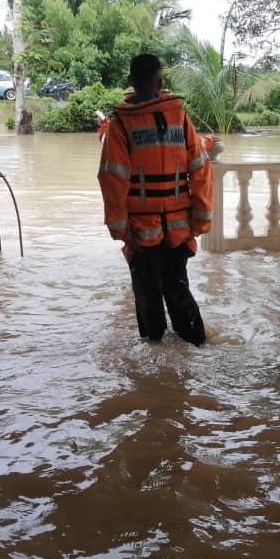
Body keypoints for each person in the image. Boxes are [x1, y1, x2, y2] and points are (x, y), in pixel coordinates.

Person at [97, 54, 214, 346]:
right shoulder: (180, 118)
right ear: (160, 82)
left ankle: (154, 355)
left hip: (140, 230)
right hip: (179, 227)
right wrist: (201, 219)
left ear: (130, 82)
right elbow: (200, 170)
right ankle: (195, 342)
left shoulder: (121, 125)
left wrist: (120, 229)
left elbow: (112, 180)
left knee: (148, 294)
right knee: (178, 288)